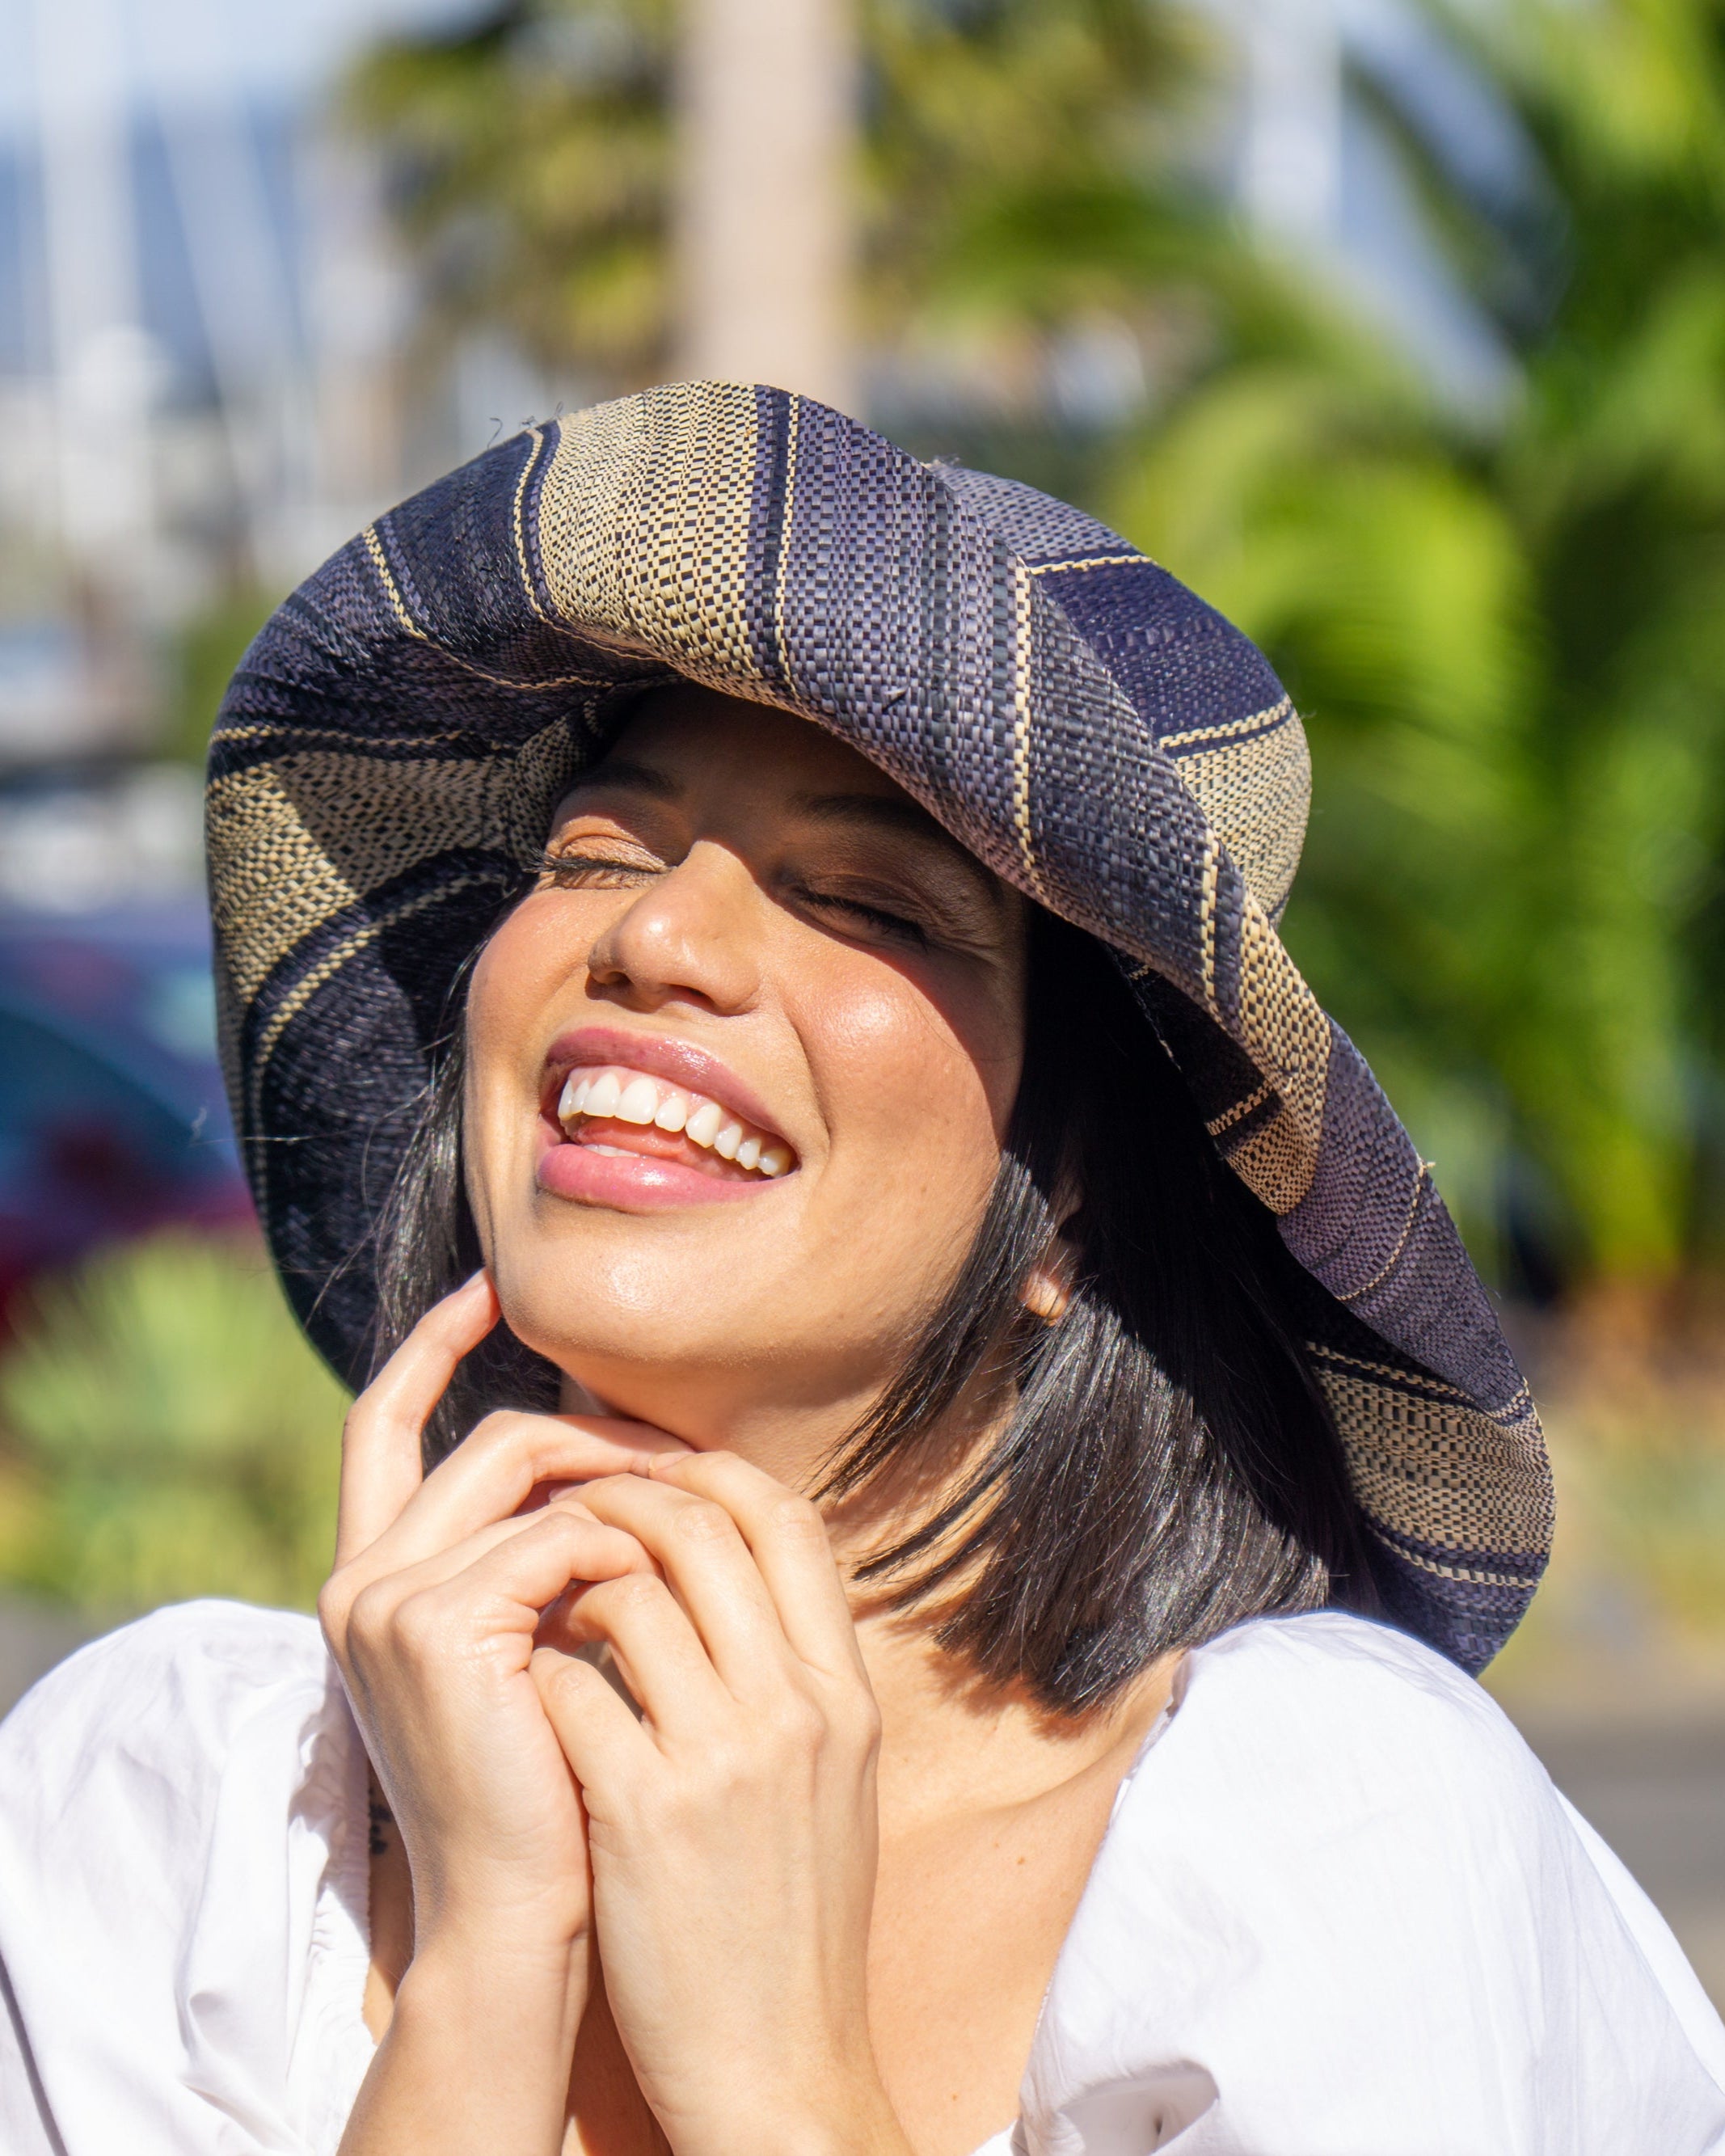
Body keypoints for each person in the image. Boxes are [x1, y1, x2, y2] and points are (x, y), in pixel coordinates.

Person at [0, 382, 1720, 2156]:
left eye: (872, 904)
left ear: (1067, 1195)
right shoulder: (175, 1809)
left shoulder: (1324, 1851)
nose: (657, 935)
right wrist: (490, 1959)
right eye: (597, 849)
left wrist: (780, 2078)